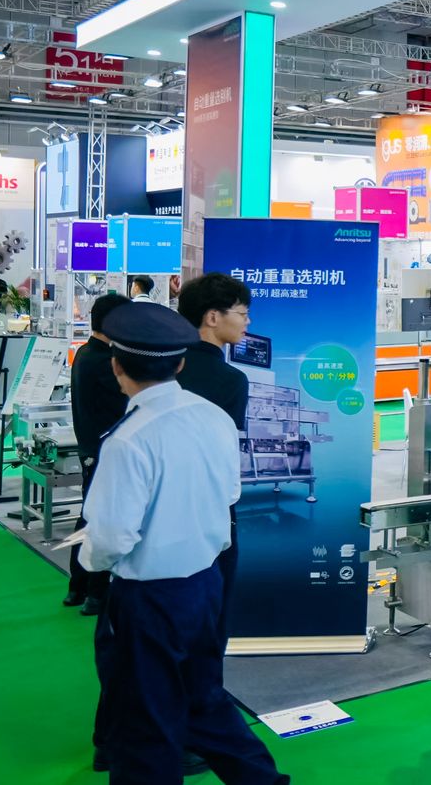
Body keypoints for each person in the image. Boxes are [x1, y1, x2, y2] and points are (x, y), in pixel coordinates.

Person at [80, 302, 288, 785]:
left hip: (148, 598)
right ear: (179, 364)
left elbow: (111, 538)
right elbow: (231, 492)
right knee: (205, 703)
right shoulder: (213, 416)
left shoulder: (128, 439)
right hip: (206, 584)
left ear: (117, 367)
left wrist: (91, 557)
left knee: (143, 726)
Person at [175, 272, 252, 640]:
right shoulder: (231, 380)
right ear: (212, 317)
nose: (247, 322)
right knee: (212, 617)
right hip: (212, 510)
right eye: (242, 313)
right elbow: (224, 452)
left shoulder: (165, 367)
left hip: (162, 508)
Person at [65, 293, 130, 614]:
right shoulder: (104, 361)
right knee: (102, 520)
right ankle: (95, 593)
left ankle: (77, 587)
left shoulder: (85, 353)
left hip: (90, 448)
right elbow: (125, 402)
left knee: (88, 516)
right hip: (102, 451)